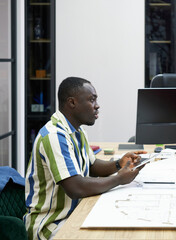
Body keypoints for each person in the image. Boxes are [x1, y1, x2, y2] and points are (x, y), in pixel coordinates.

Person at [24, 77, 146, 240]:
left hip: (75, 214)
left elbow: (92, 165)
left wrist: (118, 163)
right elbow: (76, 187)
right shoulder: (54, 136)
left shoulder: (77, 131)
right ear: (72, 103)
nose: (97, 105)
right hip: (50, 225)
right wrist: (119, 179)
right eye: (92, 99)